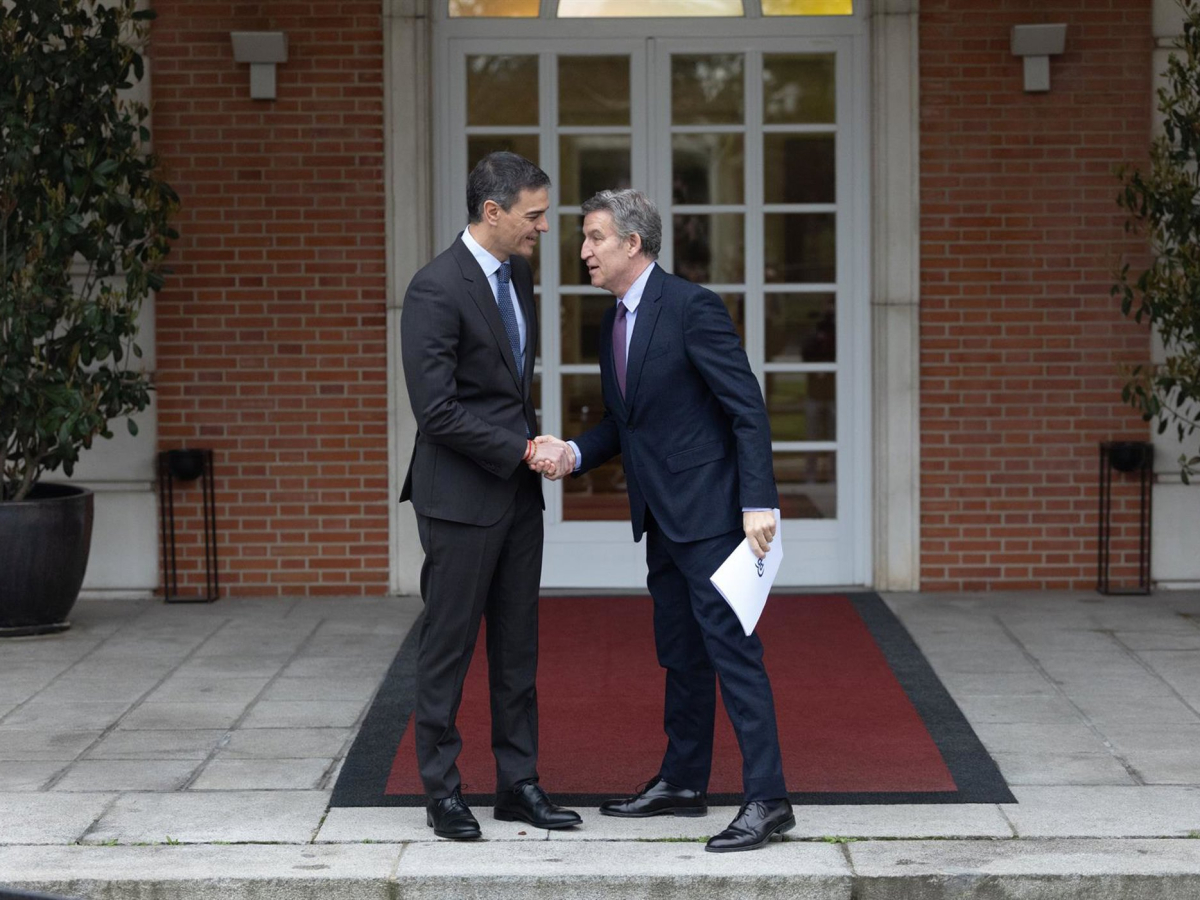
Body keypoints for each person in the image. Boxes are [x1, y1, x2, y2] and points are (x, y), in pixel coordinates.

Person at [535, 189, 793, 852]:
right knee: (681, 654)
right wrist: (573, 453)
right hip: (661, 517)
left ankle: (769, 800)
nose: (583, 251)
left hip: (711, 516)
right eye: (584, 238)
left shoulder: (691, 307)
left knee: (733, 654)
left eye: (595, 237)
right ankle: (682, 782)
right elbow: (622, 423)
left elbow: (746, 408)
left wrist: (758, 503)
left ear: (633, 243)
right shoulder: (612, 323)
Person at [399, 151, 580, 840]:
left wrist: (531, 446)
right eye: (534, 215)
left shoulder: (519, 275)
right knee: (448, 648)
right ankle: (442, 792)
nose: (543, 227)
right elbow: (436, 411)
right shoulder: (434, 289)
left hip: (517, 498)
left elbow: (506, 391)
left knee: (516, 648)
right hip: (458, 500)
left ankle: (518, 784)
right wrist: (524, 450)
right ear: (492, 211)